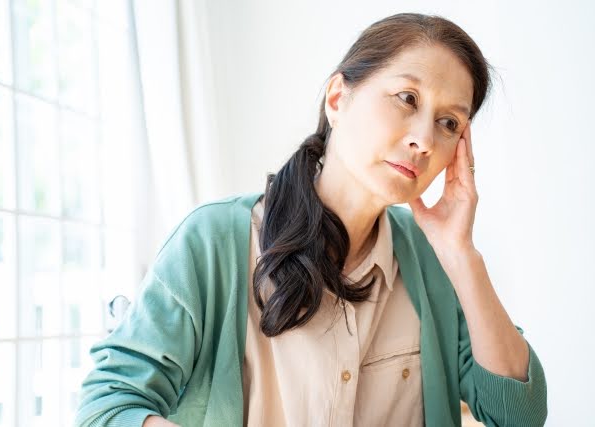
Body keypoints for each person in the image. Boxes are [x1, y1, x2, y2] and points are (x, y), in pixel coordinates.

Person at [75, 12, 547, 427]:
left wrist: (462, 256)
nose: (424, 139)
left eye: (449, 123)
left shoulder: (434, 263)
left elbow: (517, 415)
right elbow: (107, 404)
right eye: (407, 98)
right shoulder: (215, 241)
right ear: (338, 98)